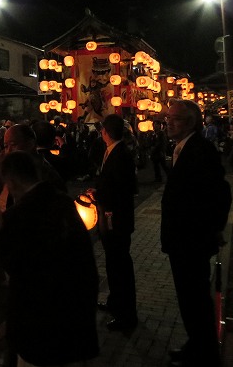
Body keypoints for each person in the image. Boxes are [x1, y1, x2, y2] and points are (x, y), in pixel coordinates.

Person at [0, 150, 99, 367]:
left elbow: (12, 265)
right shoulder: (63, 202)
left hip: (38, 320)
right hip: (73, 313)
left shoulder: (19, 214)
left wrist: (0, 226)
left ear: (11, 180)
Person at [161, 100, 231, 367]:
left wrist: (212, 229)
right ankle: (196, 344)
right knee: (190, 299)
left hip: (191, 241)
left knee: (196, 300)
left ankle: (203, 353)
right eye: (168, 117)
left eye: (175, 118)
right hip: (185, 240)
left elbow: (218, 195)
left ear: (191, 122)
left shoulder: (200, 150)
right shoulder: (184, 147)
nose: (168, 122)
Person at [92, 113, 138, 331]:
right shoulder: (114, 151)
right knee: (114, 263)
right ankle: (115, 302)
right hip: (111, 217)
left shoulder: (120, 154)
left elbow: (122, 189)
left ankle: (125, 314)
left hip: (116, 219)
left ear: (105, 132)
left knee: (119, 265)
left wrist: (100, 196)